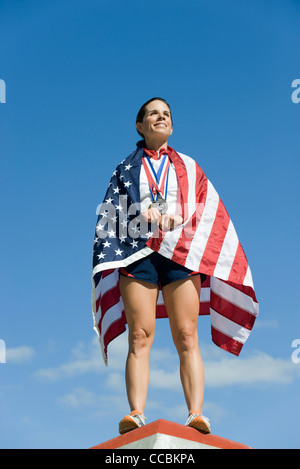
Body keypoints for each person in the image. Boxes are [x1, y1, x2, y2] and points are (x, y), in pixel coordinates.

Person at [91, 97, 259, 437]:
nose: (161, 118)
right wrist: (139, 215)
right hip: (138, 253)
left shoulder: (189, 166)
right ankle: (135, 413)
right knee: (140, 335)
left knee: (186, 334)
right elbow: (109, 215)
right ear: (140, 126)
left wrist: (179, 217)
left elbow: (208, 210)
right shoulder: (124, 168)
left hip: (182, 253)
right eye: (153, 113)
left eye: (166, 114)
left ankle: (196, 414)